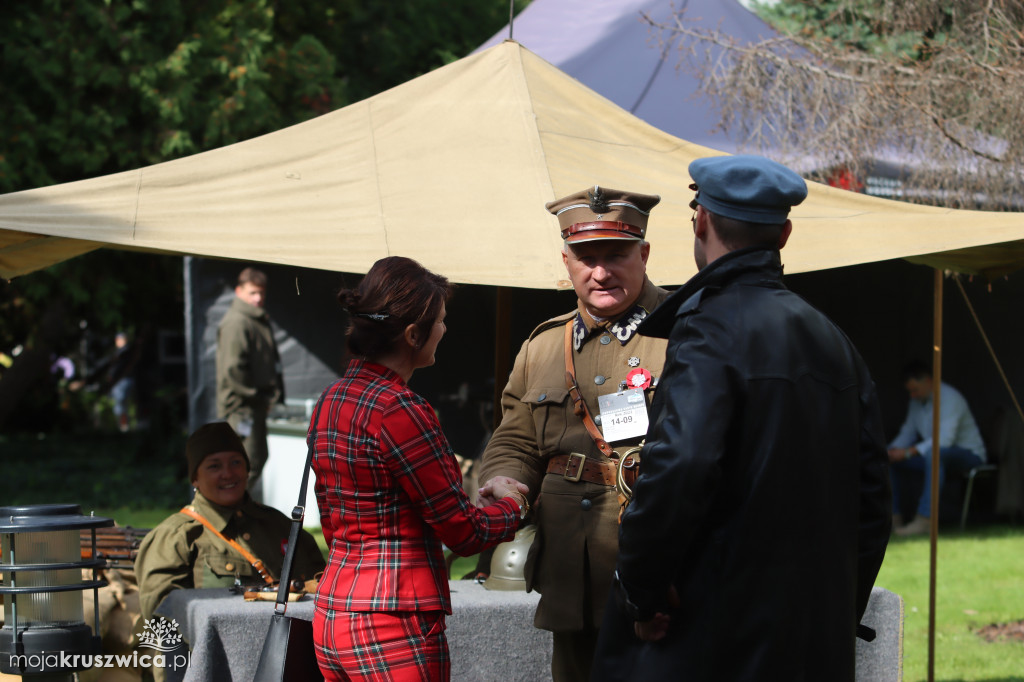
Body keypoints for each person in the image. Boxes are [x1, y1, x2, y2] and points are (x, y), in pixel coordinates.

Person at [594, 155, 892, 681]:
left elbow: (680, 468)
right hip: (808, 641)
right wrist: (834, 609)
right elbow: (873, 501)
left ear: (701, 222)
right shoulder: (833, 340)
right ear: (784, 233)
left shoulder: (709, 327)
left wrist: (640, 592)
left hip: (712, 636)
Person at [477, 186, 669, 682]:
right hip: (573, 567)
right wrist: (502, 477)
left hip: (660, 565)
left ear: (644, 254)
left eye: (616, 255)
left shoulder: (686, 332)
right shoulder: (542, 346)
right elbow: (515, 438)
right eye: (586, 258)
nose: (600, 272)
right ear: (566, 260)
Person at [308, 256, 530, 682]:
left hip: (333, 614)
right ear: (413, 334)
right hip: (391, 622)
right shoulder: (399, 409)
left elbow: (340, 519)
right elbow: (464, 534)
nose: (445, 330)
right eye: (441, 321)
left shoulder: (331, 399)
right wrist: (515, 504)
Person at [135, 421, 325, 681]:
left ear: (247, 469)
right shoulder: (177, 536)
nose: (228, 474)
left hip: (288, 664)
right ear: (195, 478)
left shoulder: (280, 524)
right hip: (214, 668)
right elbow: (162, 619)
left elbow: (323, 585)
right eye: (214, 466)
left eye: (236, 462)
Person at [888, 360, 987, 535]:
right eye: (909, 391)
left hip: (968, 455)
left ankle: (925, 519)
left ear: (928, 381)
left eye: (915, 390)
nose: (912, 395)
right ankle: (892, 518)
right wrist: (892, 450)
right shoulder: (916, 402)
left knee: (935, 455)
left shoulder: (950, 398)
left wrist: (908, 452)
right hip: (934, 456)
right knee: (889, 461)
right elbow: (908, 432)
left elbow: (944, 441)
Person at [216, 266, 284, 502]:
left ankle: (233, 510)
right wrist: (257, 396)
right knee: (245, 463)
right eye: (252, 293)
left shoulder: (254, 319)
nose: (258, 298)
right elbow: (232, 369)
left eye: (261, 293)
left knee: (252, 460)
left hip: (252, 405)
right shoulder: (237, 322)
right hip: (241, 407)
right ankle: (224, 512)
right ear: (238, 291)